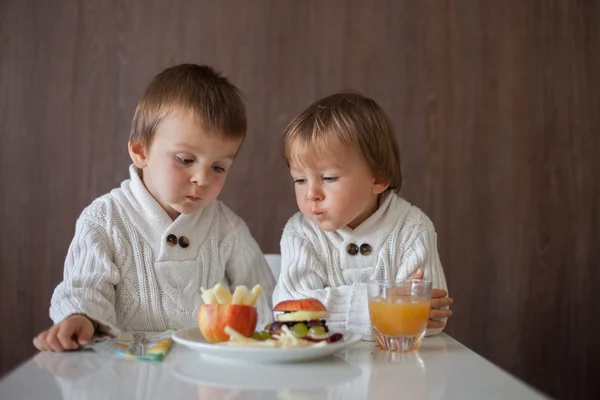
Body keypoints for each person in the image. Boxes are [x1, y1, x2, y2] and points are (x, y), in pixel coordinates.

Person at [34, 64, 275, 352]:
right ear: (141, 151)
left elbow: (263, 297)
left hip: (208, 377)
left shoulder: (227, 228)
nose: (202, 178)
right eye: (185, 160)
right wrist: (80, 318)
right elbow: (86, 287)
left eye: (219, 167)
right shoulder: (105, 220)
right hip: (130, 376)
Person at [273, 92, 453, 339]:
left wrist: (326, 308)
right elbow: (290, 311)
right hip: (321, 371)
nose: (311, 194)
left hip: (396, 370)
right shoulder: (300, 232)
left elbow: (430, 318)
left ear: (378, 178)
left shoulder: (412, 228)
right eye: (300, 180)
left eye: (328, 178)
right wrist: (379, 306)